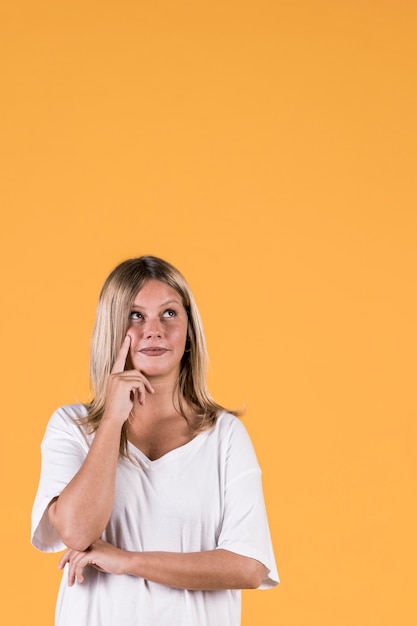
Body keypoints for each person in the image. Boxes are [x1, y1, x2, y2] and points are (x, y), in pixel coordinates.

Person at [31, 255, 279, 626]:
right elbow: (78, 532)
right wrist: (112, 420)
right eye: (135, 315)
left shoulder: (224, 435)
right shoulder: (72, 427)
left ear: (189, 330)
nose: (154, 330)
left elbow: (248, 567)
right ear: (112, 329)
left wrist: (128, 562)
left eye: (169, 314)